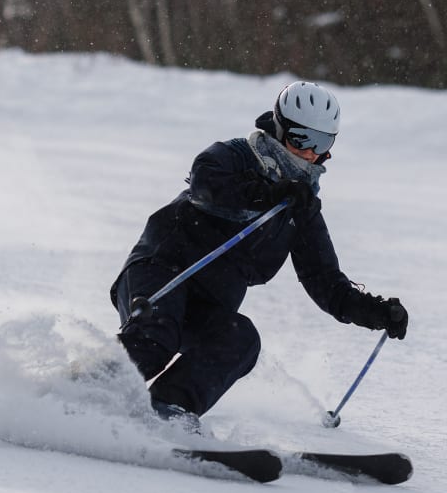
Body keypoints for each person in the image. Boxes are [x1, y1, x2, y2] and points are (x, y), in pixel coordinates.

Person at [110, 81, 408, 424]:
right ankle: (82, 394)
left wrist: (377, 313)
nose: (311, 153)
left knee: (240, 339)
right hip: (163, 272)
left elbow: (326, 282)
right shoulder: (235, 156)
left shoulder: (301, 205)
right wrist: (268, 193)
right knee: (155, 339)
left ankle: (168, 411)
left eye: (322, 143)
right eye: (302, 140)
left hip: (208, 304)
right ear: (280, 128)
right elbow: (206, 184)